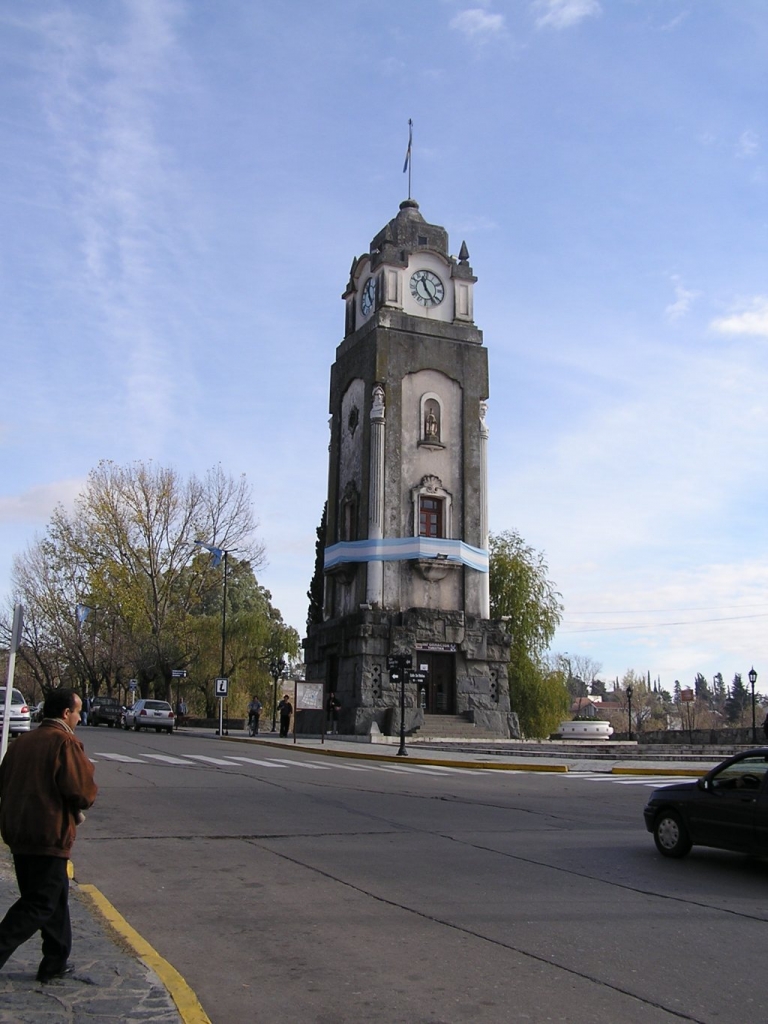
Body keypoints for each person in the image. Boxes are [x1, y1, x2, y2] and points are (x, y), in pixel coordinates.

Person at [0, 688, 97, 982]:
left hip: (19, 832)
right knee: (39, 902)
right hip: (49, 834)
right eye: (78, 712)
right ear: (66, 713)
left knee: (55, 897)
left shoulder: (21, 743)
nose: (80, 718)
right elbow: (82, 791)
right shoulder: (65, 742)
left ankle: (55, 959)